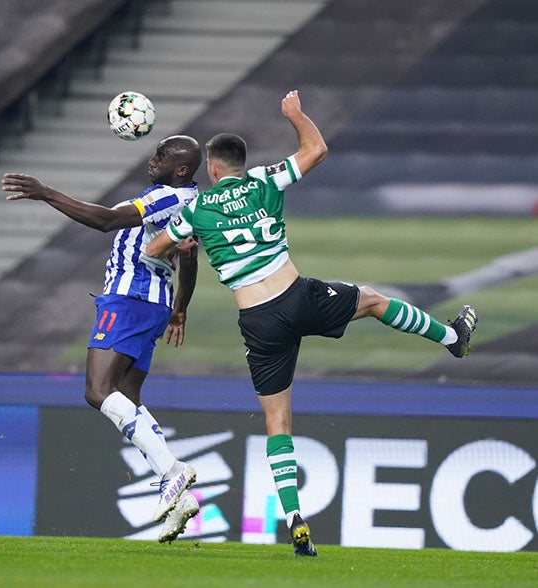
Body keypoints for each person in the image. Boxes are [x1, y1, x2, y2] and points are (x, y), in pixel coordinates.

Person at [147, 90, 477, 556]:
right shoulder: (264, 180)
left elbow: (154, 248)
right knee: (374, 301)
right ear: (239, 164)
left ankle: (294, 517)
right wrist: (295, 115)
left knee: (277, 422)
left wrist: (187, 244)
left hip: (257, 321)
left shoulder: (197, 211)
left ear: (213, 170)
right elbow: (316, 150)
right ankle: (452, 338)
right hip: (297, 297)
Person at [1, 135, 203, 542]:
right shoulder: (192, 200)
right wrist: (180, 307)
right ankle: (178, 492)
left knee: (97, 391)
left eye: (162, 155)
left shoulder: (168, 197)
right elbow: (190, 257)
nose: (153, 158)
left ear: (181, 169)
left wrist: (46, 193)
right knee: (126, 400)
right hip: (154, 304)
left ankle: (173, 471)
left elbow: (107, 220)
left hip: (129, 299)